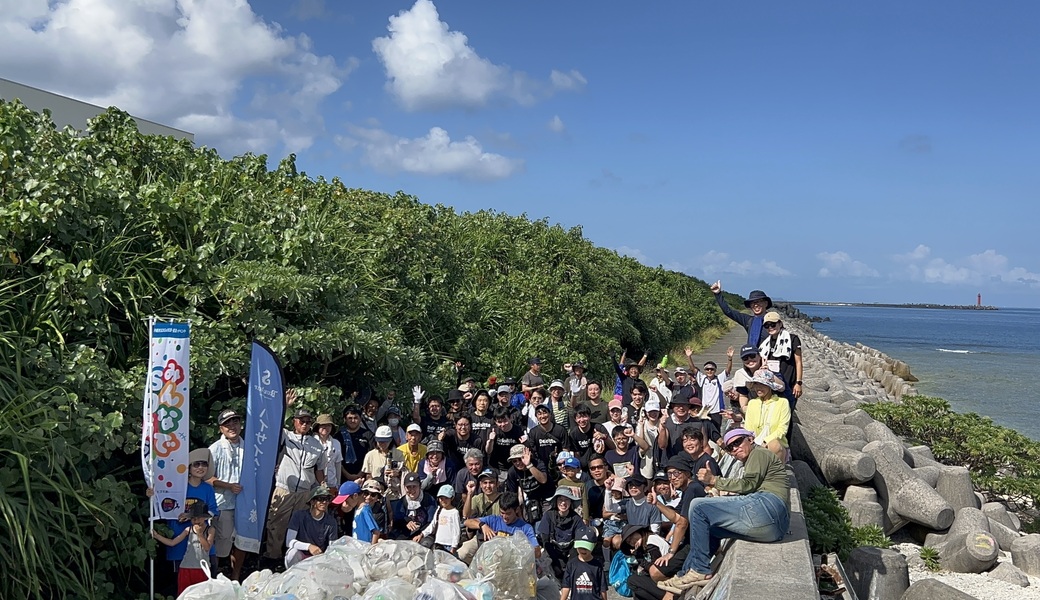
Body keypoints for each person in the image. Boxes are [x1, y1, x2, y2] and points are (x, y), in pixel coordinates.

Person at [657, 428, 791, 593]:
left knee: (698, 506)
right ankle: (685, 573)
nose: (734, 448)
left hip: (769, 508)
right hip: (774, 528)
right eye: (730, 447)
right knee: (712, 530)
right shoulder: (752, 459)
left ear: (750, 439)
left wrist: (714, 480)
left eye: (738, 442)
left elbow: (748, 485)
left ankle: (699, 570)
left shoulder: (759, 453)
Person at [265, 404, 327, 560]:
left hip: (305, 492)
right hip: (284, 489)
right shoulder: (286, 436)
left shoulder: (317, 445)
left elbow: (319, 469)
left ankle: (295, 558)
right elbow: (272, 424)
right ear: (294, 421)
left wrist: (323, 485)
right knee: (276, 525)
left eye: (308, 421)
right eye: (301, 421)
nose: (304, 424)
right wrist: (285, 406)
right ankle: (273, 558)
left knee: (299, 527)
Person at [207, 408, 245, 580]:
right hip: (223, 503)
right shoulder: (214, 449)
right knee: (222, 543)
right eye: (227, 424)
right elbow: (205, 477)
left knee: (243, 540)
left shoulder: (250, 446)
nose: (232, 426)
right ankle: (217, 576)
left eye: (235, 422)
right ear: (221, 428)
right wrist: (228, 486)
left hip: (245, 504)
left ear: (240, 424)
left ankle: (236, 576)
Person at [152, 501, 214, 595]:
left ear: (205, 517)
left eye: (198, 518)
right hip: (186, 567)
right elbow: (172, 542)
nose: (196, 520)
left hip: (203, 568)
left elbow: (207, 547)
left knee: (202, 595)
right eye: (193, 518)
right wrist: (157, 536)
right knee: (184, 594)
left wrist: (200, 534)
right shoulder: (188, 529)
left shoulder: (210, 530)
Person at [463, 491, 541, 558]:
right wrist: (482, 525)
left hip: (512, 563)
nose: (504, 517)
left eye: (508, 514)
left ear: (516, 510)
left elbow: (537, 553)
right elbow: (467, 522)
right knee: (463, 552)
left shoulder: (526, 528)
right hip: (491, 559)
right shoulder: (494, 520)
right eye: (502, 513)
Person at [742, 369, 791, 462]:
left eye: (762, 384)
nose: (758, 388)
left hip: (775, 447)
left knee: (774, 445)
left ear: (770, 386)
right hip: (755, 444)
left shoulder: (782, 402)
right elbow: (747, 428)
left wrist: (765, 441)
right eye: (756, 384)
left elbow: (782, 429)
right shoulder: (752, 403)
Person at [284, 484, 338, 568]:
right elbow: (289, 541)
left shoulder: (331, 522)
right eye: (321, 499)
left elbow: (332, 546)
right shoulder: (298, 516)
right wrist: (309, 546)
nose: (324, 502)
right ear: (312, 502)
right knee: (292, 553)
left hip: (318, 559)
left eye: (327, 499)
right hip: (300, 556)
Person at [537, 487, 584, 579]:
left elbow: (580, 540)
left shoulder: (576, 519)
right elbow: (545, 541)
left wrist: (571, 561)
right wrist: (555, 563)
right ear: (556, 501)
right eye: (560, 499)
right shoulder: (548, 515)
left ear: (571, 502)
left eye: (566, 499)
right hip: (552, 552)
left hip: (571, 552)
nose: (563, 503)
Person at [684, 347, 734, 432]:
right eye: (707, 369)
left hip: (716, 410)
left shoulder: (719, 379)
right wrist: (689, 357)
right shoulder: (702, 379)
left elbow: (727, 370)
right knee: (704, 431)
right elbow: (693, 369)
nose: (709, 371)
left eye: (712, 369)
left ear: (715, 370)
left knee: (716, 431)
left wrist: (730, 359)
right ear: (705, 370)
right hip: (704, 410)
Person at [619, 523, 674, 600]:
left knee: (632, 581)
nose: (632, 541)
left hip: (668, 578)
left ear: (638, 531)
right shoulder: (650, 540)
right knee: (637, 576)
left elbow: (654, 567)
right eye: (629, 541)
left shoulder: (651, 541)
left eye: (632, 536)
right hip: (665, 576)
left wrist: (639, 557)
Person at [459, 467, 502, 562]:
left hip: (500, 537)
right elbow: (466, 516)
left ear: (497, 484)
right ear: (480, 485)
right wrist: (470, 494)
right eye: (484, 483)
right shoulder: (477, 498)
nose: (488, 486)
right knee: (463, 552)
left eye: (491, 482)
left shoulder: (503, 498)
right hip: (481, 535)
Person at [759, 311, 804, 401]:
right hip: (772, 385)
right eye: (767, 326)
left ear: (780, 323)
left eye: (773, 324)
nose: (770, 328)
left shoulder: (792, 339)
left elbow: (798, 362)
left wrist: (798, 383)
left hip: (789, 385)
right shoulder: (765, 344)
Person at [710, 282, 772, 346]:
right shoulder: (748, 321)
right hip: (753, 355)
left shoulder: (774, 320)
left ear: (766, 303)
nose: (756, 305)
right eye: (752, 302)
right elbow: (728, 311)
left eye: (759, 301)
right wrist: (718, 294)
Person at [503, 443, 553, 524]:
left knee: (546, 523)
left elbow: (543, 480)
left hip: (546, 498)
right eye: (514, 461)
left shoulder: (538, 463)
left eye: (521, 458)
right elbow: (512, 494)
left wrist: (529, 465)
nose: (518, 463)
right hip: (530, 501)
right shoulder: (512, 472)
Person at [560, 526, 607, 600]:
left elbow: (602, 588)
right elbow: (566, 586)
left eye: (586, 547)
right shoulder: (571, 564)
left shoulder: (597, 565)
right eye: (580, 547)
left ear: (593, 545)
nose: (583, 550)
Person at [360, 425, 405, 500]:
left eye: (385, 441)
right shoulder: (370, 455)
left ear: (390, 440)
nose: (382, 444)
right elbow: (368, 476)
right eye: (380, 441)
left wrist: (398, 473)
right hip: (376, 494)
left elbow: (405, 473)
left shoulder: (399, 454)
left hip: (395, 494)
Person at [415, 485, 462, 555]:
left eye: (446, 498)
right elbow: (432, 525)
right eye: (441, 498)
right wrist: (422, 534)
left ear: (452, 498)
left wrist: (454, 546)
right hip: (438, 543)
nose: (443, 501)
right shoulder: (439, 510)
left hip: (449, 545)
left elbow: (457, 531)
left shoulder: (454, 512)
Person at [389, 472, 437, 540]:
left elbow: (432, 522)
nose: (411, 490)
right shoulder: (401, 502)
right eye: (408, 487)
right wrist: (406, 522)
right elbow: (397, 520)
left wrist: (421, 534)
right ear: (404, 488)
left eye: (414, 486)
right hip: (405, 534)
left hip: (424, 533)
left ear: (420, 486)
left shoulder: (429, 500)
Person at [335, 405, 373, 484]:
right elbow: (336, 459)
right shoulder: (338, 437)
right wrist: (348, 475)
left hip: (363, 478)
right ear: (344, 419)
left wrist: (360, 474)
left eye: (356, 418)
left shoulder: (368, 435)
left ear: (360, 419)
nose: (353, 420)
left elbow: (371, 457)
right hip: (342, 478)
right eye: (350, 418)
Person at [527, 401, 567, 469]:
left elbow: (566, 449)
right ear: (536, 417)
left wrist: (562, 463)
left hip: (558, 466)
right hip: (541, 466)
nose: (542, 416)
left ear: (550, 414)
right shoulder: (533, 432)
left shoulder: (560, 430)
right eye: (539, 414)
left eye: (545, 413)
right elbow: (532, 452)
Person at [486, 405, 525, 474]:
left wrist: (525, 442)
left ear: (510, 418)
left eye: (505, 421)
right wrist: (491, 440)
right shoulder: (493, 430)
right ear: (495, 421)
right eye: (499, 422)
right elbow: (488, 451)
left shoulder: (518, 430)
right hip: (497, 467)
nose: (503, 424)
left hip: (514, 466)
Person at [314, 414, 343, 490]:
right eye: (323, 425)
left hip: (333, 483)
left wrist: (338, 484)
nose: (325, 428)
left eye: (328, 425)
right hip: (315, 485)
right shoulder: (311, 442)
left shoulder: (336, 443)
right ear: (318, 427)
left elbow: (338, 465)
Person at [353, 479, 388, 543]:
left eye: (373, 495)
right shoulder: (355, 507)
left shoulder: (379, 514)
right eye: (366, 493)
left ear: (377, 498)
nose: (368, 497)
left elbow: (377, 533)